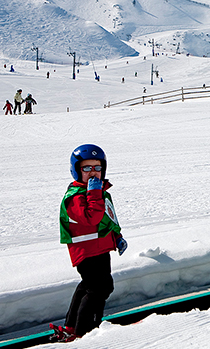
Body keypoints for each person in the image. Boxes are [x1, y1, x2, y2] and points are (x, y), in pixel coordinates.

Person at [51, 144, 127, 342]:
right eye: (87, 168)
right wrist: (94, 193)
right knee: (100, 288)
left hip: (100, 247)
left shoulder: (100, 193)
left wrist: (117, 236)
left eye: (97, 168)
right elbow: (92, 218)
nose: (93, 173)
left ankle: (72, 325)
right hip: (85, 251)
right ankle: (85, 330)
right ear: (76, 170)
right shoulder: (75, 197)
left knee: (90, 285)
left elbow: (108, 218)